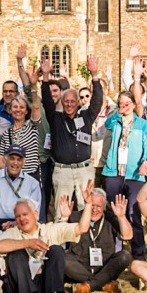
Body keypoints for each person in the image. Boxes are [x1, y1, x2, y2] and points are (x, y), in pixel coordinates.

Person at [0, 186, 94, 293]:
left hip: (44, 285)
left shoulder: (48, 229)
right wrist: (28, 243)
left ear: (35, 214)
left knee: (57, 250)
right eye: (18, 216)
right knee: (16, 255)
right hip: (20, 290)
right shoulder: (14, 232)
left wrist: (88, 204)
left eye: (25, 214)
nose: (21, 219)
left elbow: (81, 228)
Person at [41, 54, 103, 211]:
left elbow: (97, 101)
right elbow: (47, 101)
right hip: (63, 172)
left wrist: (94, 75)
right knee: (62, 212)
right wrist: (46, 76)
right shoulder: (56, 118)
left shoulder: (86, 116)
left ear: (77, 103)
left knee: (86, 210)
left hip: (84, 170)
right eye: (66, 101)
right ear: (62, 102)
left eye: (72, 101)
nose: (69, 105)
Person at [100, 91, 147, 257]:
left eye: (127, 103)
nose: (124, 106)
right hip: (114, 172)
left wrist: (145, 161)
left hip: (134, 173)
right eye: (121, 103)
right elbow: (107, 125)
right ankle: (115, 252)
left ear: (132, 104)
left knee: (133, 212)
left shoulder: (141, 124)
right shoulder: (115, 121)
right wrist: (117, 113)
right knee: (114, 212)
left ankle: (138, 253)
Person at [65, 190, 134, 293]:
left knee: (125, 256)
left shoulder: (110, 218)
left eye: (98, 206)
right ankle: (104, 284)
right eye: (92, 205)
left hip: (105, 268)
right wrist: (64, 218)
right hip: (80, 267)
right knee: (61, 258)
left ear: (104, 207)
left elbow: (128, 236)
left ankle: (88, 286)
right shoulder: (74, 217)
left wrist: (121, 216)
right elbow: (60, 236)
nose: (94, 210)